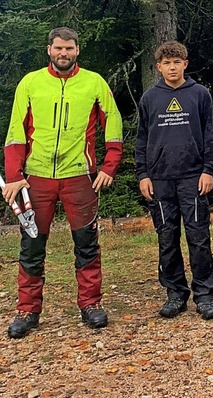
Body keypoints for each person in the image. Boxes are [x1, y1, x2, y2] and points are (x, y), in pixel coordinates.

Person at [2, 27, 123, 338]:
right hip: (37, 178)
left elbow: (113, 122)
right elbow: (16, 130)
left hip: (79, 176)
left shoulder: (94, 82)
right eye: (58, 48)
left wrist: (109, 166)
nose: (63, 54)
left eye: (69, 48)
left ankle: (91, 304)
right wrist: (14, 176)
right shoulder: (30, 83)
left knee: (86, 243)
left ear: (77, 50)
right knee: (31, 245)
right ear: (49, 50)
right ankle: (27, 310)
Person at [135, 41, 213, 320]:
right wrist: (143, 174)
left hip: (193, 177)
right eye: (166, 63)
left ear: (185, 64)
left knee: (198, 237)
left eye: (177, 62)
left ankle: (204, 295)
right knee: (167, 238)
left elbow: (209, 135)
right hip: (159, 179)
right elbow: (142, 139)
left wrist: (208, 169)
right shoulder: (150, 98)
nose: (172, 67)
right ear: (158, 67)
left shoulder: (199, 94)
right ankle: (175, 293)